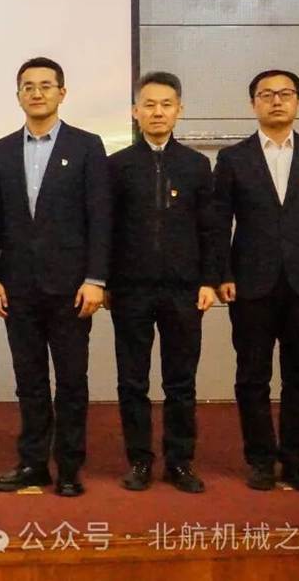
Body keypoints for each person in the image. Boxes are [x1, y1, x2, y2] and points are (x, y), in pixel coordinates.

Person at [213, 69, 299, 493]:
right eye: (266, 94)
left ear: (297, 102)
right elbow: (219, 223)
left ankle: (296, 461)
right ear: (253, 102)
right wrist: (222, 274)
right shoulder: (233, 158)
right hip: (250, 284)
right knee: (252, 376)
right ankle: (260, 460)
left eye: (285, 94)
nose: (276, 101)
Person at [0, 56, 111, 498]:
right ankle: (33, 462)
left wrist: (96, 278)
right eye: (28, 86)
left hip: (72, 287)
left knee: (72, 381)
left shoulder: (87, 146)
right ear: (18, 94)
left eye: (45, 85)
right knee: (30, 381)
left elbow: (100, 217)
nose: (36, 93)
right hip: (18, 287)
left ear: (62, 92)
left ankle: (70, 466)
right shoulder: (0, 150)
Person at [106, 71, 219, 494]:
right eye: (149, 105)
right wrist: (106, 281)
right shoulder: (117, 165)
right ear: (135, 112)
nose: (157, 112)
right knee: (132, 381)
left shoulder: (196, 165)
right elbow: (106, 229)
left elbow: (210, 229)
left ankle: (179, 462)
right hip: (130, 289)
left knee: (180, 381)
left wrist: (209, 280)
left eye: (166, 105)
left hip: (184, 290)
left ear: (179, 110)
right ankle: (139, 460)